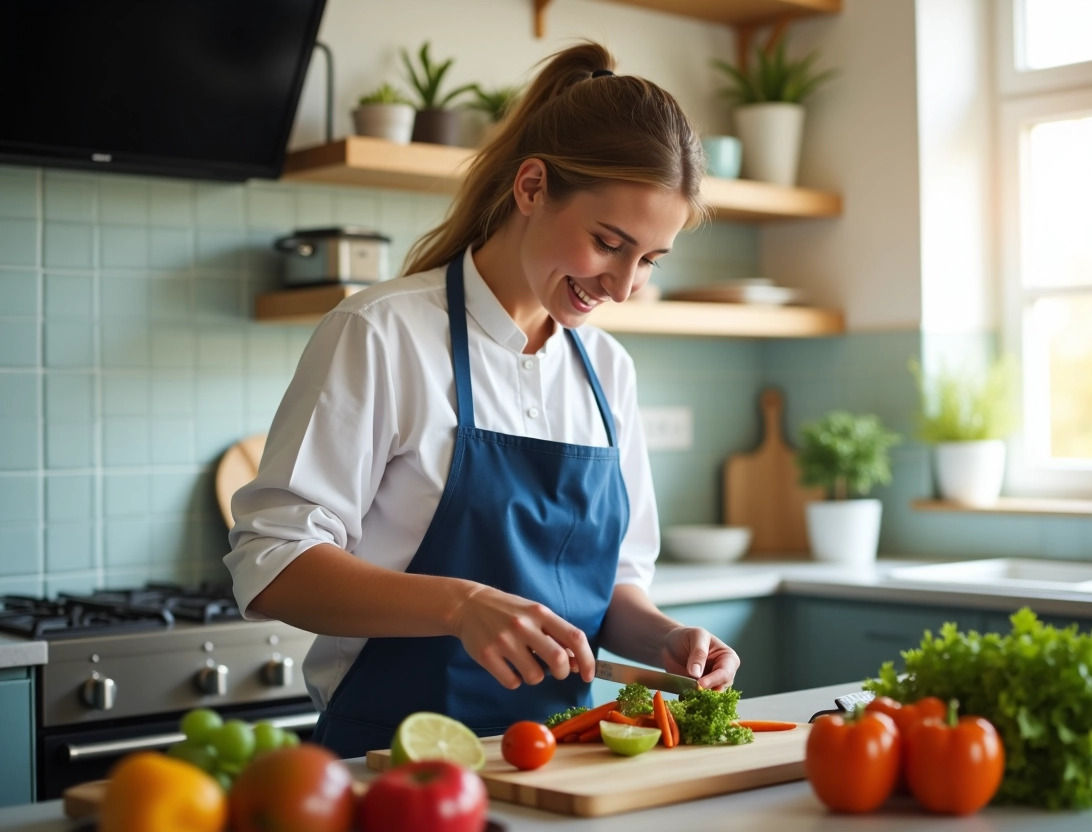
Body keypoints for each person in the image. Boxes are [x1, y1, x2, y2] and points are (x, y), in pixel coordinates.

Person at [225, 41, 740, 758]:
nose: (622, 287)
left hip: (561, 764)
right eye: (608, 242)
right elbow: (272, 563)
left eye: (648, 261)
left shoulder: (607, 371)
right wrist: (459, 605)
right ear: (531, 188)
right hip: (394, 765)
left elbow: (614, 585)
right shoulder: (383, 333)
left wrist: (664, 637)